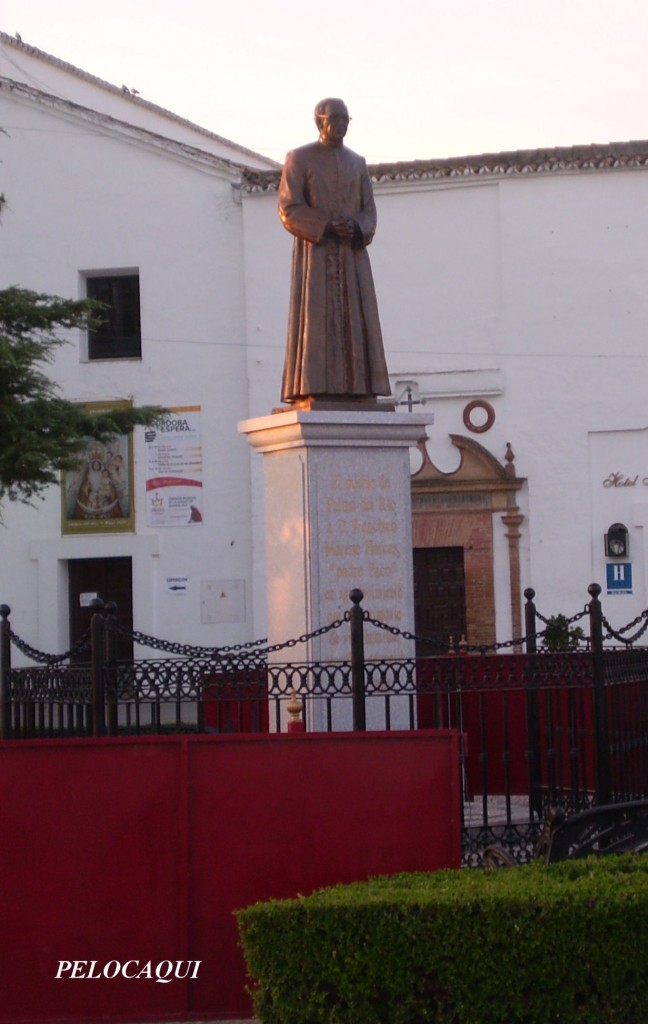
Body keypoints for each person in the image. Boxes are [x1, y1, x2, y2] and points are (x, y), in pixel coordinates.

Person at [278, 98, 390, 406]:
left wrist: (356, 227)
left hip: (352, 256)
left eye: (345, 119)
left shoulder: (357, 162)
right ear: (319, 122)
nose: (341, 124)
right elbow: (288, 208)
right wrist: (326, 224)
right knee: (316, 319)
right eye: (335, 119)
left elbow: (369, 211)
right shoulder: (299, 158)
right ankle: (316, 385)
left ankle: (359, 387)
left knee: (357, 318)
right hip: (317, 254)